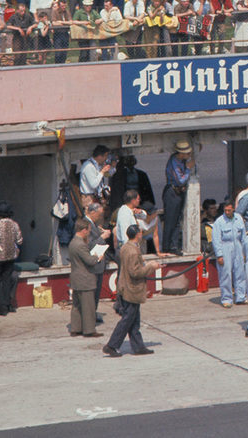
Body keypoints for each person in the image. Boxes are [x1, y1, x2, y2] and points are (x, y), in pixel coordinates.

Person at [103, 224, 160, 357]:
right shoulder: (133, 250)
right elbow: (135, 273)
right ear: (138, 234)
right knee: (128, 319)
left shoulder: (125, 247)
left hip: (125, 287)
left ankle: (138, 347)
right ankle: (112, 345)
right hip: (131, 289)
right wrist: (152, 267)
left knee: (134, 319)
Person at [68, 221, 105, 338]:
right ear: (84, 230)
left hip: (76, 278)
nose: (89, 233)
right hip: (85, 279)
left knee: (77, 305)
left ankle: (76, 328)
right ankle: (89, 330)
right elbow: (89, 261)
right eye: (88, 231)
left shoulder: (73, 242)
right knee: (88, 305)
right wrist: (96, 257)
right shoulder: (81, 245)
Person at [211, 199, 247, 309]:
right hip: (225, 246)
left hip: (238, 246)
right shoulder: (219, 222)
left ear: (233, 209)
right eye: (225, 210)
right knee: (225, 274)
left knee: (240, 272)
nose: (227, 212)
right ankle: (226, 298)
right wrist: (219, 255)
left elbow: (244, 237)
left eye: (229, 210)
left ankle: (240, 296)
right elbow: (216, 240)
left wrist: (244, 251)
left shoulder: (239, 219)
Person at [0, 201, 22, 315]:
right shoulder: (15, 225)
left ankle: (2, 307)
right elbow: (20, 240)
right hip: (10, 256)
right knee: (7, 280)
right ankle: (8, 304)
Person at [162, 139, 194, 254]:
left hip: (178, 192)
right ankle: (167, 246)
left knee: (176, 220)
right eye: (187, 153)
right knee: (171, 220)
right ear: (181, 153)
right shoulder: (174, 163)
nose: (189, 155)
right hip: (172, 191)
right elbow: (180, 180)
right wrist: (188, 169)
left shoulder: (180, 161)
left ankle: (174, 245)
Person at [78, 145, 111, 210]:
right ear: (99, 156)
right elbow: (93, 184)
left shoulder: (96, 165)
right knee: (91, 216)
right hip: (88, 198)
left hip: (95, 196)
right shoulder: (88, 166)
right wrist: (102, 172)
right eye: (105, 156)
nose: (106, 159)